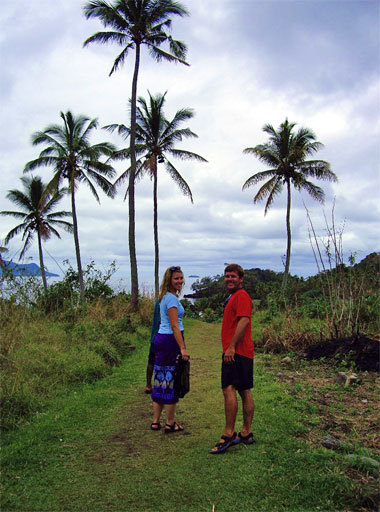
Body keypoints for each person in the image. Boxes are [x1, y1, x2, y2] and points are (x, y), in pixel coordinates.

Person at [210, 263, 255, 454]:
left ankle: (228, 433)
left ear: (241, 279)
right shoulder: (233, 297)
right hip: (241, 351)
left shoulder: (242, 296)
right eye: (227, 276)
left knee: (228, 388)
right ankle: (246, 433)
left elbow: (244, 320)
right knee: (244, 390)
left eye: (233, 276)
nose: (229, 279)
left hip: (236, 351)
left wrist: (231, 347)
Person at [151, 266, 189, 433]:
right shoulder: (172, 299)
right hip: (170, 341)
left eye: (181, 278)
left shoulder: (164, 297)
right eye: (176, 279)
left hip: (161, 338)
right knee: (171, 380)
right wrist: (182, 348)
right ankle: (170, 423)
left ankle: (155, 421)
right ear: (169, 280)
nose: (180, 281)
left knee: (160, 379)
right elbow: (174, 325)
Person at [144, 299, 160, 394]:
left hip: (154, 336)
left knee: (151, 361)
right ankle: (157, 384)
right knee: (160, 362)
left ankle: (148, 384)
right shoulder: (165, 302)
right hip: (161, 336)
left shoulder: (158, 302)